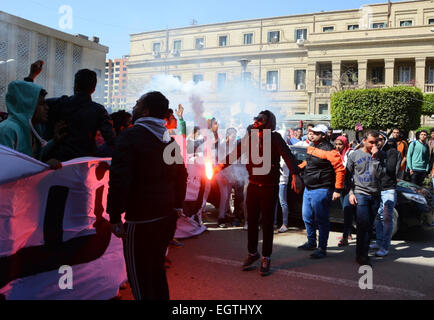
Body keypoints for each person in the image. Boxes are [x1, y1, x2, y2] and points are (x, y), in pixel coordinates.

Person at [107, 91, 188, 300]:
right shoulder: (168, 140)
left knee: (140, 278)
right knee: (156, 272)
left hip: (141, 220)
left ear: (145, 110)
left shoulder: (130, 137)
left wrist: (114, 216)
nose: (133, 107)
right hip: (166, 218)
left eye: (137, 104)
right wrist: (177, 205)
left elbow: (119, 180)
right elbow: (182, 176)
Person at [217, 110, 303, 276]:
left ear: (269, 123)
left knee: (268, 223)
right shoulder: (249, 138)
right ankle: (252, 253)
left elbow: (288, 156)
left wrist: (295, 175)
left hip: (270, 187)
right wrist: (218, 167)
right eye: (256, 119)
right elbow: (233, 155)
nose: (256, 121)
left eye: (260, 120)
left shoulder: (275, 138)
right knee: (251, 220)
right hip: (253, 186)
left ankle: (266, 256)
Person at [44, 69, 115, 162]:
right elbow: (110, 138)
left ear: (75, 86)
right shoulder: (99, 110)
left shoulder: (59, 103)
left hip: (58, 161)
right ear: (93, 89)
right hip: (84, 163)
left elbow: (33, 102)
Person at [297, 125, 346, 259]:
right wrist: (298, 167)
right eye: (311, 132)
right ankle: (312, 242)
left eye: (316, 133)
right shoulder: (312, 146)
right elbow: (309, 161)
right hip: (309, 188)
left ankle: (322, 248)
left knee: (322, 220)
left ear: (323, 135)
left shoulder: (330, 150)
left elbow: (340, 170)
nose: (311, 135)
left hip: (322, 189)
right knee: (307, 217)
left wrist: (337, 189)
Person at [0, 80, 62, 169]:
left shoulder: (33, 128)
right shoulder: (7, 130)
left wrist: (54, 141)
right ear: (27, 105)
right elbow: (5, 171)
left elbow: (32, 155)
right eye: (41, 104)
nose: (47, 108)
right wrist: (43, 167)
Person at [347, 130, 384, 266]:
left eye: (377, 142)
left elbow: (381, 175)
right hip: (360, 193)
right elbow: (347, 176)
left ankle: (364, 252)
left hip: (375, 194)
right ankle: (361, 255)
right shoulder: (354, 155)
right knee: (363, 224)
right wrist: (351, 192)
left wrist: (375, 158)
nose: (375, 145)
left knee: (369, 227)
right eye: (371, 142)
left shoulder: (380, 155)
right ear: (364, 141)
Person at [371, 137, 401, 257]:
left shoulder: (391, 151)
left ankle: (385, 247)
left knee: (387, 218)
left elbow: (390, 168)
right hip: (377, 189)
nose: (377, 142)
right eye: (375, 140)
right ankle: (379, 242)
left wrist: (379, 155)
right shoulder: (376, 151)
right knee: (378, 217)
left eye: (381, 139)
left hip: (388, 189)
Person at [334, 136, 355, 247]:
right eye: (336, 144)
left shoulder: (350, 153)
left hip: (349, 187)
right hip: (341, 187)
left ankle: (345, 237)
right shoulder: (336, 154)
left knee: (347, 210)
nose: (338, 146)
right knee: (346, 210)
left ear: (345, 144)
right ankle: (349, 233)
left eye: (340, 144)